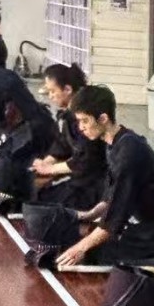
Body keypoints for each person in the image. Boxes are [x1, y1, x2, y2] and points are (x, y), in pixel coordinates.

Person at [56, 84, 154, 269]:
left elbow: (112, 222)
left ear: (103, 118)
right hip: (145, 226)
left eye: (85, 121)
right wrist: (89, 215)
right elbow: (111, 196)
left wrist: (78, 249)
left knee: (91, 252)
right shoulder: (114, 143)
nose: (81, 128)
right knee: (79, 233)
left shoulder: (130, 153)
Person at [28, 64, 107, 212]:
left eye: (53, 91)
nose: (50, 96)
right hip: (81, 180)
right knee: (35, 195)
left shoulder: (84, 116)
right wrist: (46, 163)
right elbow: (63, 144)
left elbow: (85, 160)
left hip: (94, 185)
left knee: (37, 204)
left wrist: (51, 169)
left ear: (68, 89)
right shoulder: (69, 115)